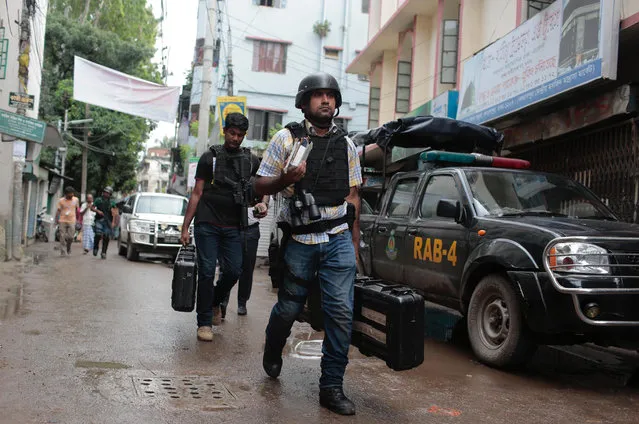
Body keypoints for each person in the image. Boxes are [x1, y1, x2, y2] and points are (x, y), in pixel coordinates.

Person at [254, 72, 362, 416]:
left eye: (330, 95)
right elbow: (259, 185)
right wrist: (287, 178)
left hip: (338, 240)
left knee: (340, 314)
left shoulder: (347, 145)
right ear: (304, 103)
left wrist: (355, 249)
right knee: (288, 308)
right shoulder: (285, 140)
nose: (325, 100)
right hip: (300, 240)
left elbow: (354, 198)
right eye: (318, 95)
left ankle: (331, 387)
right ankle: (273, 348)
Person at [180, 112, 263, 343]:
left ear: (244, 136)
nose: (235, 138)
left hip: (234, 226)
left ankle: (215, 301)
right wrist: (185, 227)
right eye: (232, 133)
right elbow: (196, 193)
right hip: (207, 223)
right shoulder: (210, 158)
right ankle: (204, 322)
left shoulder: (251, 160)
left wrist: (262, 204)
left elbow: (259, 190)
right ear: (225, 130)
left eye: (240, 135)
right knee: (206, 272)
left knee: (235, 271)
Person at [219, 197, 270, 317]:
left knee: (247, 270)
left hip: (251, 230)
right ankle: (222, 302)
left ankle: (242, 303)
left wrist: (263, 204)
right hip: (230, 228)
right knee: (226, 268)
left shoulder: (257, 183)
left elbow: (266, 199)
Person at [91, 186, 117, 259]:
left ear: (110, 194)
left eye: (108, 193)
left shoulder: (112, 202)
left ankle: (104, 252)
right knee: (98, 234)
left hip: (108, 221)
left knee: (106, 236)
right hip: (99, 220)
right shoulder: (98, 200)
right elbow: (92, 208)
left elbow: (115, 213)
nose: (106, 194)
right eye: (105, 192)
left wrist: (113, 222)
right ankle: (95, 248)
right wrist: (97, 211)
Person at [55, 186, 80, 257]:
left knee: (71, 237)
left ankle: (68, 247)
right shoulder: (61, 201)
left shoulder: (76, 200)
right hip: (62, 220)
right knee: (62, 236)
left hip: (72, 220)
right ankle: (62, 252)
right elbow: (58, 211)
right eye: (70, 194)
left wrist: (78, 219)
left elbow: (78, 210)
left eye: (72, 194)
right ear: (66, 194)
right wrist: (56, 219)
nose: (72, 196)